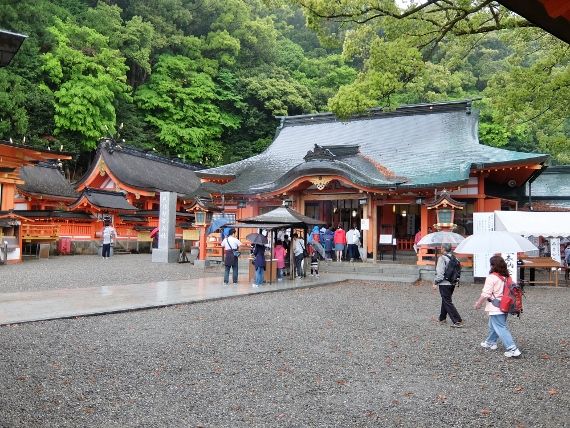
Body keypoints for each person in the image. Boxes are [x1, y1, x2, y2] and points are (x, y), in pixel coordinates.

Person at [474, 255, 522, 358]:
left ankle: (513, 349)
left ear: (492, 265)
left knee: (500, 327)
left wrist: (478, 303)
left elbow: (486, 294)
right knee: (493, 325)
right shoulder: (507, 277)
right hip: (506, 305)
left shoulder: (492, 278)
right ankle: (490, 342)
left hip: (495, 306)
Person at [433, 243, 463, 327]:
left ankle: (457, 320)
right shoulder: (455, 258)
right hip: (452, 282)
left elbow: (440, 273)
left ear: (443, 249)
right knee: (445, 299)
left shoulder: (442, 258)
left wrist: (436, 282)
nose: (440, 249)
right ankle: (442, 318)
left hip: (444, 283)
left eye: (441, 248)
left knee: (447, 301)